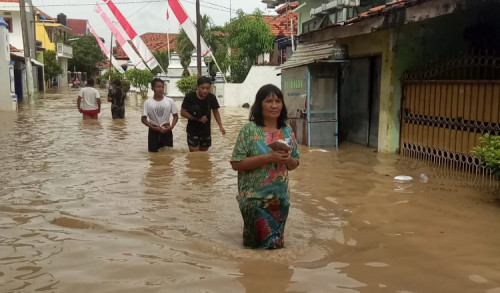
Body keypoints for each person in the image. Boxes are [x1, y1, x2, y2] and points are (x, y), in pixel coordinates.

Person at [230, 84, 300, 249]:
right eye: (269, 101)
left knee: (275, 248)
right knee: (259, 249)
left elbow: (295, 163)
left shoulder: (287, 131)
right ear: (259, 104)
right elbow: (236, 163)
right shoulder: (248, 130)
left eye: (278, 101)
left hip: (280, 201)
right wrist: (269, 157)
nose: (274, 105)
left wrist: (286, 158)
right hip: (254, 200)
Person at [180, 76, 226, 152]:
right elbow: (182, 112)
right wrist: (197, 119)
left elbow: (216, 112)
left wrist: (220, 126)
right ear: (197, 87)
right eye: (203, 88)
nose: (205, 91)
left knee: (203, 154)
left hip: (206, 130)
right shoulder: (189, 97)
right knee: (195, 154)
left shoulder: (212, 98)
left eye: (207, 88)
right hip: (192, 129)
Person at [141, 78, 179, 152]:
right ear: (153, 88)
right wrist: (153, 127)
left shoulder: (169, 101)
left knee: (168, 155)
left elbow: (176, 116)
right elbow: (143, 119)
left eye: (162, 87)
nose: (160, 89)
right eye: (158, 87)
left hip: (167, 129)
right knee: (153, 155)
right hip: (153, 130)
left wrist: (171, 127)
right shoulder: (147, 102)